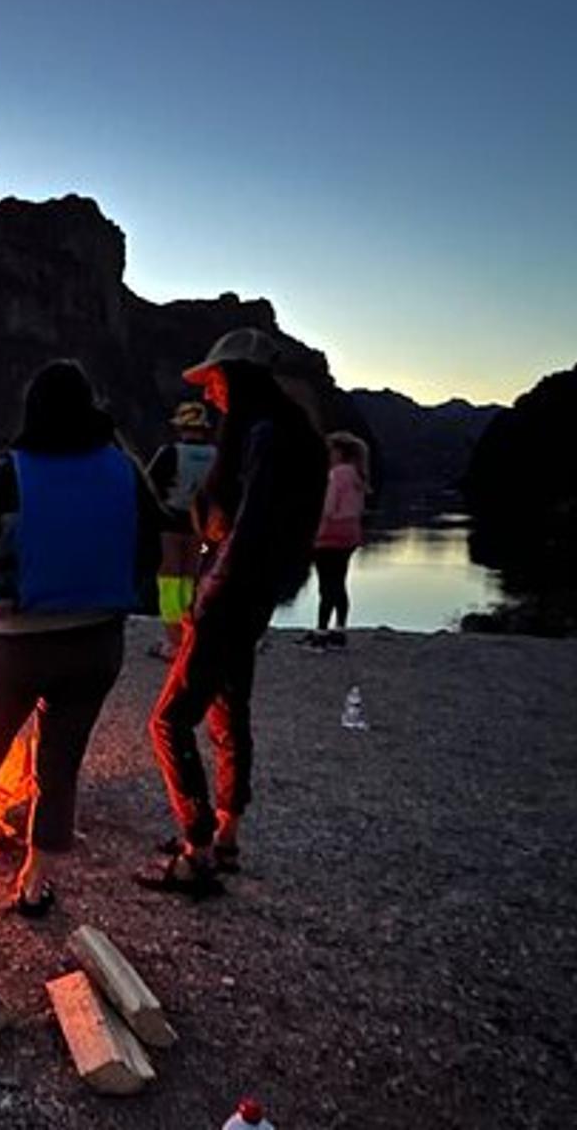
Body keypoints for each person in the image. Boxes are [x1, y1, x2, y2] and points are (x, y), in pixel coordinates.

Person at [0, 360, 162, 922]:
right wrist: (112, 596)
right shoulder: (123, 468)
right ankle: (33, 888)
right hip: (97, 645)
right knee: (59, 770)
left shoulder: (10, 471)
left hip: (17, 646)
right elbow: (151, 550)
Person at [140, 327, 326, 892]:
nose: (210, 392)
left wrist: (207, 596)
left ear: (238, 379)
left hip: (230, 594)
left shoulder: (264, 435)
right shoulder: (289, 434)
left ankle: (196, 850)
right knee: (228, 711)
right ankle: (226, 837)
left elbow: (250, 530)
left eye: (216, 379)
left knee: (169, 720)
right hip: (254, 596)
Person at [146, 400, 219, 659]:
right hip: (201, 527)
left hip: (170, 523)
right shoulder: (216, 456)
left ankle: (173, 639)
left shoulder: (170, 453)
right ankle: (190, 635)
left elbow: (150, 487)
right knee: (190, 579)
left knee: (168, 581)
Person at [306, 431, 370, 648]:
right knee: (339, 582)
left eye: (331, 451)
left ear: (340, 452)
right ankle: (340, 630)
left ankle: (321, 633)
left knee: (326, 585)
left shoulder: (336, 475)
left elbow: (329, 508)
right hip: (350, 533)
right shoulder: (357, 475)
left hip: (329, 534)